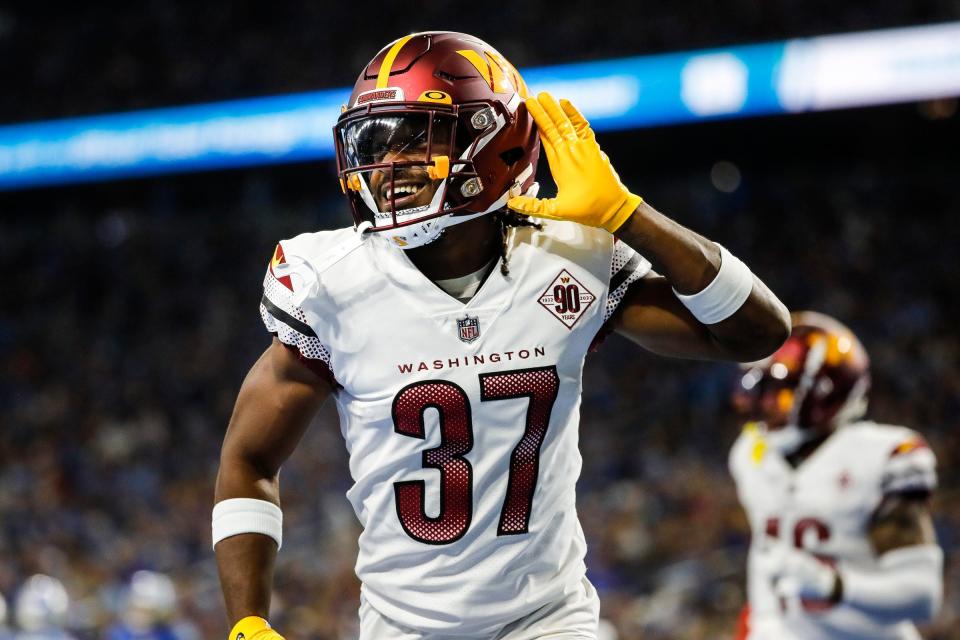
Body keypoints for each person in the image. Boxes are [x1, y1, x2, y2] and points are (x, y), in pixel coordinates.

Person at [213, 31, 789, 640]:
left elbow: (754, 332)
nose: (386, 165)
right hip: (403, 628)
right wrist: (247, 623)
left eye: (415, 139)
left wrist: (628, 216)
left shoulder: (569, 259)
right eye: (375, 141)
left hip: (547, 619)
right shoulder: (331, 283)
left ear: (496, 143)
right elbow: (249, 458)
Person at [729, 311, 943, 639]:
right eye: (760, 392)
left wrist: (833, 585)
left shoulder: (881, 457)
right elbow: (766, 552)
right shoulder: (751, 455)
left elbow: (923, 597)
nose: (764, 406)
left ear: (824, 393)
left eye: (779, 394)